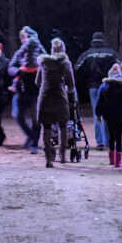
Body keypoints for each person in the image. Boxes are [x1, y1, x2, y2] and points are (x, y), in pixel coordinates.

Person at [74, 31, 119, 151]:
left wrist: (87, 77)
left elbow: (77, 67)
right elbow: (121, 66)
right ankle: (110, 141)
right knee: (109, 112)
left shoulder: (87, 54)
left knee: (97, 113)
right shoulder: (111, 53)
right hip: (109, 85)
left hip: (93, 86)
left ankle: (100, 142)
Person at [35, 38, 77, 167]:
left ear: (52, 50)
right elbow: (71, 84)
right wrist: (67, 89)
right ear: (63, 49)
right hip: (60, 97)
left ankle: (48, 159)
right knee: (63, 125)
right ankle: (63, 155)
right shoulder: (65, 63)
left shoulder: (44, 62)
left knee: (46, 127)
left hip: (45, 97)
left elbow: (37, 82)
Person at [9, 26, 46, 153]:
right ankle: (31, 136)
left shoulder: (39, 50)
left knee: (37, 118)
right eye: (23, 38)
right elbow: (11, 67)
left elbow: (47, 62)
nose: (24, 40)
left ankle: (34, 144)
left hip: (36, 90)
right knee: (18, 116)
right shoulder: (19, 53)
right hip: (22, 90)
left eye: (26, 37)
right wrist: (18, 71)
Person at [96, 63, 122, 168]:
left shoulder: (103, 87)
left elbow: (99, 102)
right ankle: (118, 160)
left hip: (108, 115)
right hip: (121, 115)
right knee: (119, 136)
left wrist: (98, 114)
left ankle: (111, 159)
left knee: (111, 136)